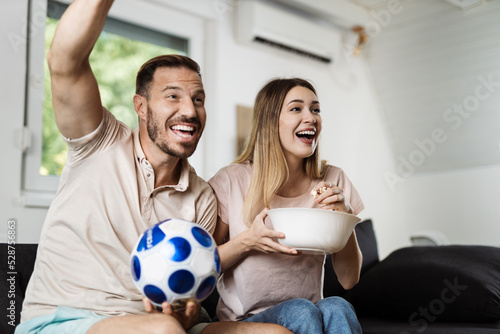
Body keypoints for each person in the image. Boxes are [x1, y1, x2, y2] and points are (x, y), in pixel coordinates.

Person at [16, 1, 292, 333]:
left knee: (275, 333)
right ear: (141, 107)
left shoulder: (202, 197)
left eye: (198, 99)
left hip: (157, 324)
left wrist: (185, 314)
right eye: (173, 96)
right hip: (66, 319)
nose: (190, 110)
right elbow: (64, 61)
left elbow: (184, 304)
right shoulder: (99, 142)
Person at [208, 78, 365, 333]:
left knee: (338, 306)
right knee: (299, 310)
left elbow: (349, 280)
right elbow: (202, 265)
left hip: (310, 313)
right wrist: (247, 241)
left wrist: (344, 218)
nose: (311, 117)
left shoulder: (332, 179)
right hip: (245, 321)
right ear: (270, 122)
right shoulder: (231, 181)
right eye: (296, 109)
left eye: (315, 109)